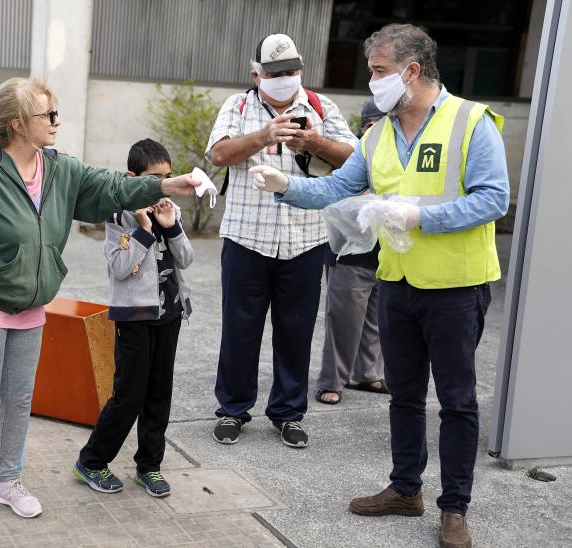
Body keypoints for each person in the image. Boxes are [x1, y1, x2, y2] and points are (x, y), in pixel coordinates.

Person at [0, 78, 198, 531]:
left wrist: (169, 184)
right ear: (18, 124)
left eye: (55, 113)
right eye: (47, 115)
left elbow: (111, 187)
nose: (56, 121)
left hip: (30, 306)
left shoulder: (58, 169)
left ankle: (7, 481)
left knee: (19, 399)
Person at [249, 24, 508, 548]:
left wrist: (418, 216)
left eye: (379, 71)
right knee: (404, 396)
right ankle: (404, 489)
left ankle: (454, 509)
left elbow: (493, 199)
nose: (373, 83)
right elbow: (338, 188)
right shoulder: (379, 132)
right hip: (397, 282)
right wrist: (286, 188)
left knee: (456, 401)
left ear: (411, 72)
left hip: (457, 287)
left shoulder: (472, 122)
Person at [205, 33, 358, 447]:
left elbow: (357, 159)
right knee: (240, 328)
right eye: (273, 74)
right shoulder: (237, 106)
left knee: (296, 330)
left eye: (290, 72)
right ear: (256, 74)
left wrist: (314, 141)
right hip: (246, 238)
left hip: (306, 240)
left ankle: (289, 414)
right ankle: (233, 409)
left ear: (301, 70)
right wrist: (263, 135)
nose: (282, 80)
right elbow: (218, 154)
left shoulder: (322, 107)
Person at [73, 139, 194, 498]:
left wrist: (170, 227)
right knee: (129, 393)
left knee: (160, 392)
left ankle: (150, 466)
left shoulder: (170, 211)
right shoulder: (118, 219)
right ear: (132, 178)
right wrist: (142, 230)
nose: (164, 185)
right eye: (156, 178)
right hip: (134, 318)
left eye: (168, 177)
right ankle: (92, 461)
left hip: (169, 312)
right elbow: (121, 268)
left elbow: (186, 259)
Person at [315, 100, 387, 405]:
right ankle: (331, 380)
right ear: (368, 126)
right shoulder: (353, 156)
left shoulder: (402, 157)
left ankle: (367, 374)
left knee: (376, 320)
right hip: (351, 255)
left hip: (387, 254)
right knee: (344, 320)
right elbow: (334, 194)